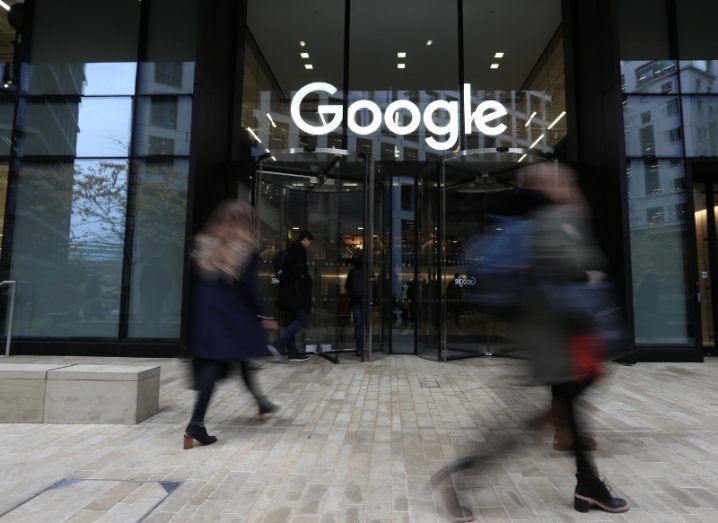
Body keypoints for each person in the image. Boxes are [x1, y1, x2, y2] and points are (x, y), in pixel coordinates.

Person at [518, 163, 628, 513]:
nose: (568, 185)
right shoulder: (548, 221)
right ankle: (466, 472)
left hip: (563, 331)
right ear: (543, 186)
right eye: (561, 181)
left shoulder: (552, 219)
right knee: (566, 396)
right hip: (559, 332)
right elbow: (577, 263)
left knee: (573, 395)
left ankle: (586, 483)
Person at [184, 201, 279, 449]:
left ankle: (258, 403)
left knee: (216, 365)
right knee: (225, 364)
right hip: (230, 317)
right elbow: (249, 289)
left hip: (205, 316)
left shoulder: (204, 244)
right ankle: (195, 423)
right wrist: (263, 315)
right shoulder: (243, 249)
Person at [274, 230, 314, 362]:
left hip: (291, 294)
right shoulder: (297, 249)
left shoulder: (294, 250)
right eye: (310, 242)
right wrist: (303, 278)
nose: (309, 245)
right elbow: (291, 269)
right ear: (305, 239)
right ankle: (280, 343)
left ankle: (293, 352)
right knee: (302, 318)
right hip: (295, 295)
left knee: (292, 321)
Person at [345, 255, 365, 356]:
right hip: (365, 302)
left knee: (358, 325)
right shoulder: (370, 272)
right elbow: (373, 286)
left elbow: (347, 286)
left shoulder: (351, 272)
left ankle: (359, 349)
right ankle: (367, 347)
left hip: (355, 302)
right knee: (366, 325)